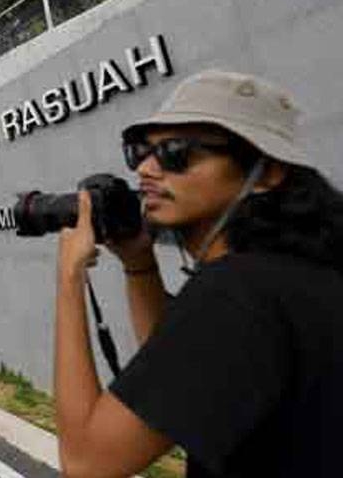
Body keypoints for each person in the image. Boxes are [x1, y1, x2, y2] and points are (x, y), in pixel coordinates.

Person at [53, 70, 343, 477]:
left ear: (269, 172)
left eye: (175, 152)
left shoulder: (235, 291)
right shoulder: (301, 273)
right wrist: (139, 264)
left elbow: (85, 463)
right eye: (141, 151)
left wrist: (69, 277)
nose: (147, 170)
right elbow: (183, 377)